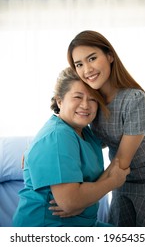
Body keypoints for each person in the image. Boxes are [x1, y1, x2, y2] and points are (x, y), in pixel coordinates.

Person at [66, 30, 145, 227]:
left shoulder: (134, 98)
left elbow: (122, 161)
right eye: (79, 64)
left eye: (92, 58)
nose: (86, 69)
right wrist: (36, 148)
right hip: (122, 180)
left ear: (110, 56)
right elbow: (71, 128)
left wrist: (82, 199)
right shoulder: (91, 102)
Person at [12, 67, 130, 227]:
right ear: (59, 101)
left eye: (93, 99)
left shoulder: (85, 132)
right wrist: (113, 182)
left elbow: (113, 135)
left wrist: (137, 127)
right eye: (77, 97)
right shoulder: (58, 137)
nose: (85, 105)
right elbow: (69, 202)